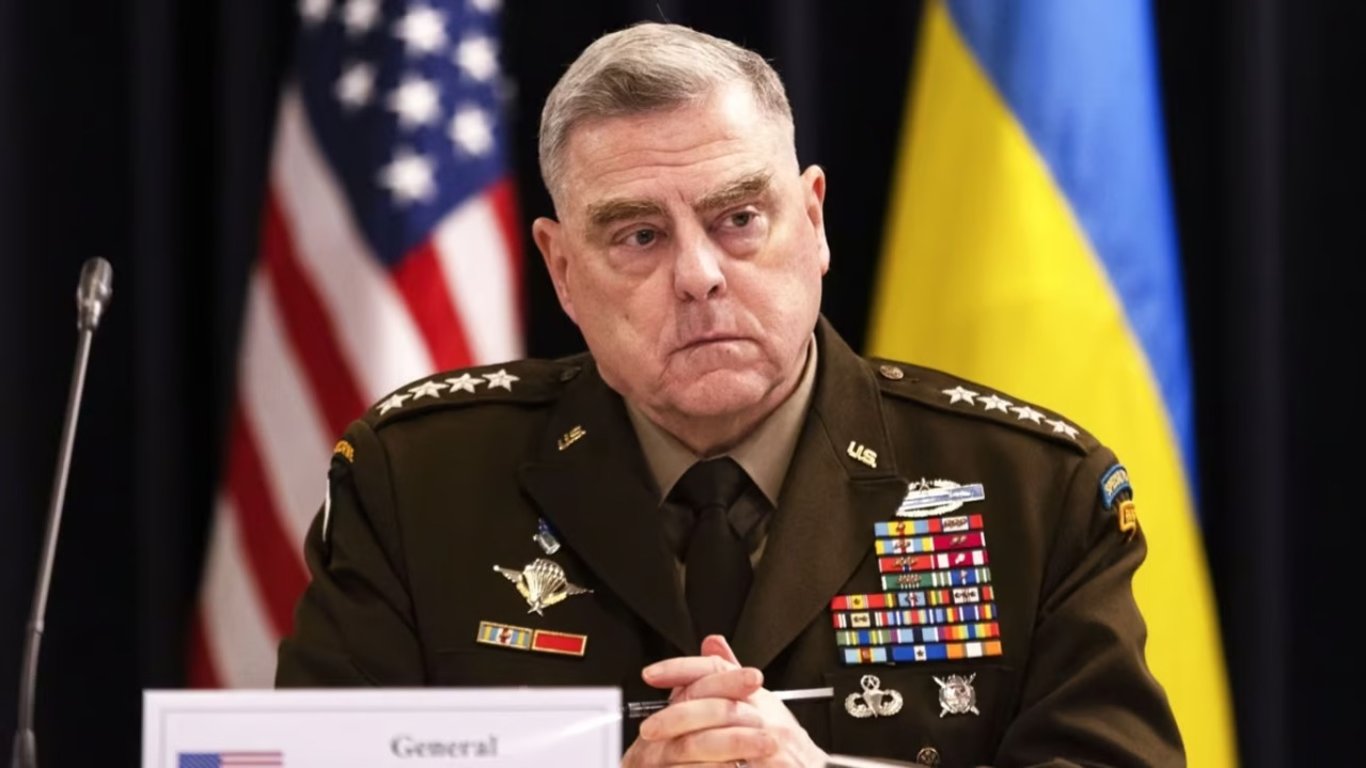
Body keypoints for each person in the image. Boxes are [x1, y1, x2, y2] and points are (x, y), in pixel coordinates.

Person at [276, 22, 1185, 768]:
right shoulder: (417, 484)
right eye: (639, 236)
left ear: (813, 220)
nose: (699, 275)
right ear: (562, 269)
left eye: (740, 218)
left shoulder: (1031, 492)